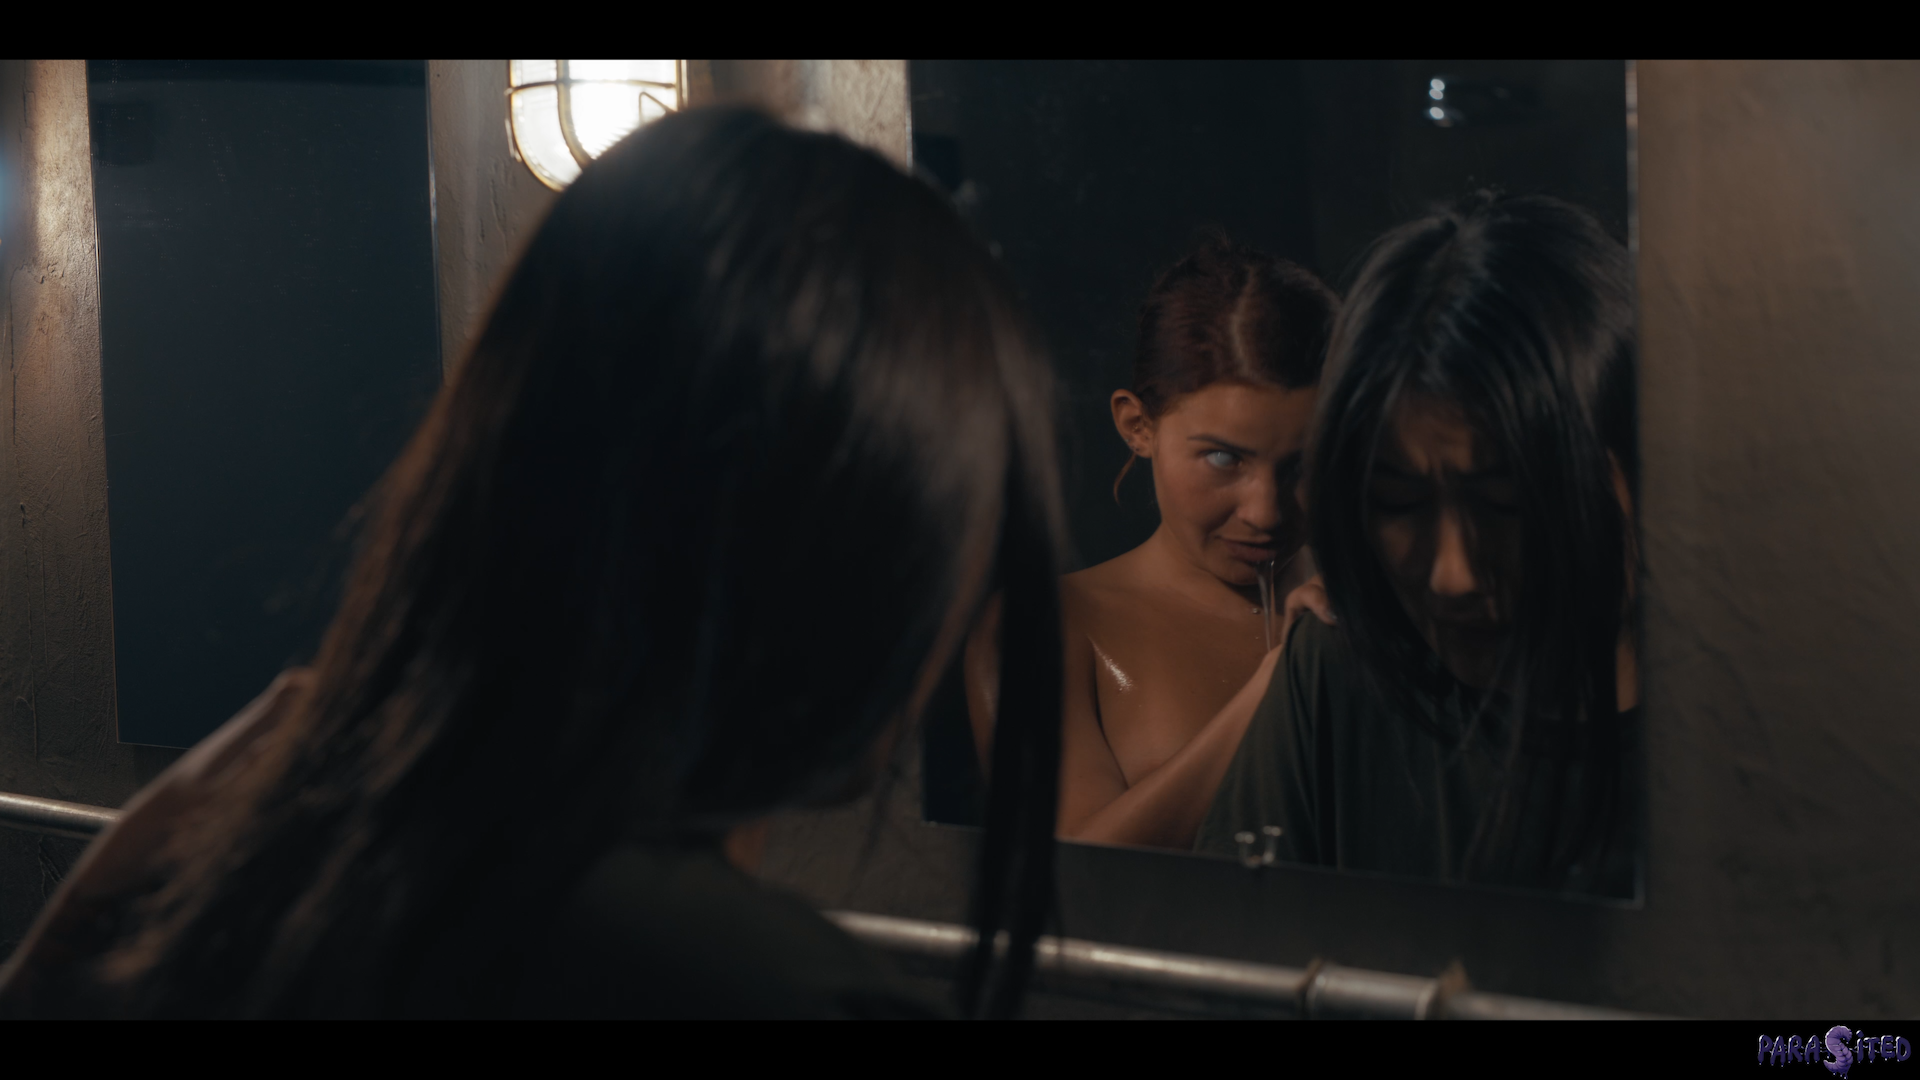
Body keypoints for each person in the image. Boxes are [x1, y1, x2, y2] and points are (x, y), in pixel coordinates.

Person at [0, 106, 1068, 1018]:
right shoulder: (778, 992)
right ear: (863, 541)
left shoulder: (279, 898)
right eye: (965, 521)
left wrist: (105, 906)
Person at [1197, 193, 1640, 898]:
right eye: (1399, 504)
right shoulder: (1338, 674)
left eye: (1505, 505)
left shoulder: (1744, 708)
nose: (1452, 576)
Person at [966, 241, 1337, 849]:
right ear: (1138, 427)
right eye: (1223, 459)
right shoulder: (1045, 628)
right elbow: (1074, 876)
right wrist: (1279, 686)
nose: (1266, 512)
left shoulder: (1384, 615)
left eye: (1302, 463)